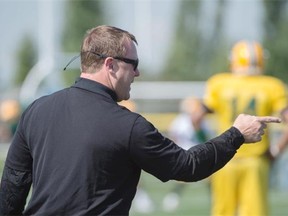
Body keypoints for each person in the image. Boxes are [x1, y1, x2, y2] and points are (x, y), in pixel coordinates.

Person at [0, 26, 281, 216]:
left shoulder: (36, 111)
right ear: (110, 64)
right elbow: (188, 166)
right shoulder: (128, 125)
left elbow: (12, 188)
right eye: (133, 64)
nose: (138, 73)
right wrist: (237, 134)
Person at [194, 40, 288, 216]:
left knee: (223, 212)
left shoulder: (219, 83)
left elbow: (196, 117)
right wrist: (276, 151)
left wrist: (206, 147)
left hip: (224, 160)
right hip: (256, 161)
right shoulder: (272, 85)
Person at [162, 96, 209, 212]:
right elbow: (173, 139)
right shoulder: (179, 121)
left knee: (210, 179)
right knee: (181, 180)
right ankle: (173, 197)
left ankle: (217, 197)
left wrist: (197, 127)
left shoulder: (203, 123)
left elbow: (205, 139)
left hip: (200, 155)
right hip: (184, 155)